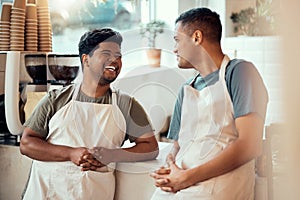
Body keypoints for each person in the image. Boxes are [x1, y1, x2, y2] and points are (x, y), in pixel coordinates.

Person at [20, 28, 159, 200]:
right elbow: (26, 143)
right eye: (106, 53)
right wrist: (71, 153)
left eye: (118, 55)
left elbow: (151, 147)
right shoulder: (56, 99)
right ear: (86, 59)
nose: (114, 60)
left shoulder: (126, 105)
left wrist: (112, 155)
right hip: (47, 193)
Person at [150, 7, 268, 199]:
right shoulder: (187, 88)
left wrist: (187, 178)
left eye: (177, 40)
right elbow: (179, 146)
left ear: (197, 37)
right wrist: (170, 165)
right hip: (180, 185)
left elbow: (250, 145)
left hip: (219, 188)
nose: (174, 49)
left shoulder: (239, 72)